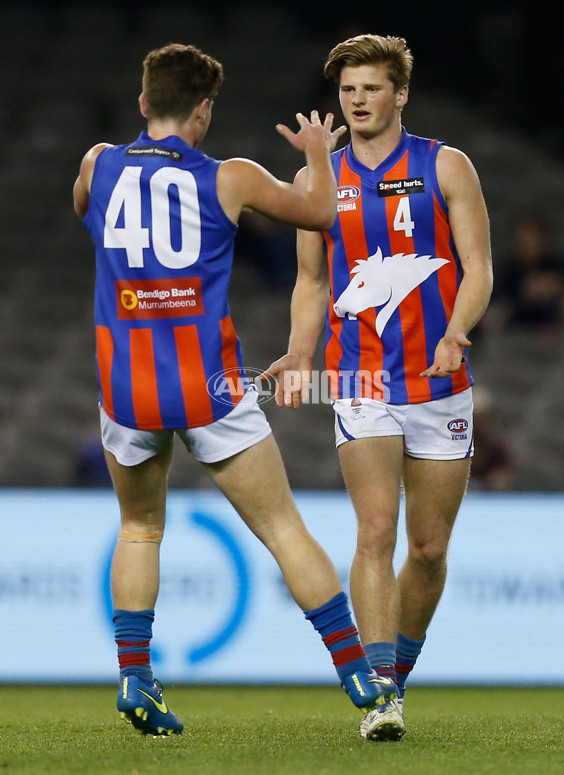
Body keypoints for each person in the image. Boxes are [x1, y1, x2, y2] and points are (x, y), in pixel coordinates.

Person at [73, 43, 396, 738]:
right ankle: (361, 675)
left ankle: (135, 676)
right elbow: (319, 214)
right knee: (282, 527)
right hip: (207, 386)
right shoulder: (231, 177)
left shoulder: (99, 164)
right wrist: (316, 151)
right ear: (204, 109)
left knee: (139, 527)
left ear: (142, 102)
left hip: (127, 387)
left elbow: (83, 209)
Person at [262, 34, 493, 740]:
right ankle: (381, 693)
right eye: (348, 89)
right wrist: (301, 350)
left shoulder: (445, 165)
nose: (357, 100)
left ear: (399, 94)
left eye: (370, 87)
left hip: (439, 382)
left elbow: (477, 266)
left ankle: (398, 672)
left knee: (426, 549)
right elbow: (311, 281)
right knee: (374, 529)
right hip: (360, 377)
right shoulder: (318, 180)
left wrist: (456, 329)